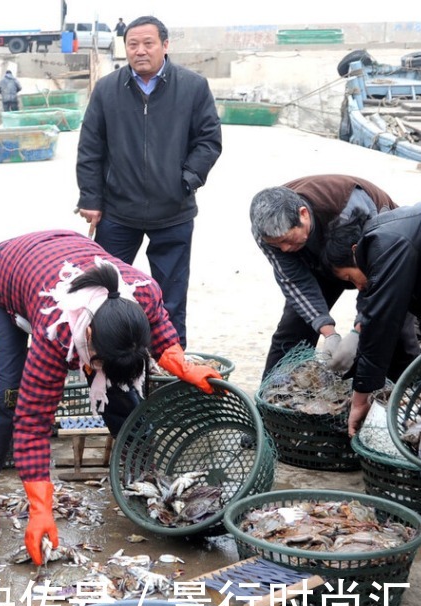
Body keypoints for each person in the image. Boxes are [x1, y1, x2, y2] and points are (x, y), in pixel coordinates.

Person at [0, 230, 219, 549]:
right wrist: (41, 508)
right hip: (4, 275)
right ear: (89, 333)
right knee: (6, 395)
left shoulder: (145, 292)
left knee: (116, 380)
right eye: (94, 358)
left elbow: (162, 331)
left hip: (64, 253)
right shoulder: (56, 331)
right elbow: (32, 424)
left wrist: (185, 367)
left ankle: (143, 475)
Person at [75, 16, 221, 349]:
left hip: (174, 211)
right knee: (107, 290)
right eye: (132, 44)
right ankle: (109, 356)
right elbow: (90, 147)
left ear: (165, 46)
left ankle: (169, 359)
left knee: (171, 296)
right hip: (117, 211)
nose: (140, 51)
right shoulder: (107, 89)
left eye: (148, 43)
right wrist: (91, 198)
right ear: (125, 47)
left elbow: (209, 140)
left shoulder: (193, 86)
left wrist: (185, 181)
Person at [249, 175, 418, 380]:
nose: (284, 249)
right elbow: (294, 281)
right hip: (317, 262)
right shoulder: (267, 233)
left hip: (381, 257)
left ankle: (404, 394)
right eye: (277, 245)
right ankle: (273, 397)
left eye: (286, 240)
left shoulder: (349, 209)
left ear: (303, 214)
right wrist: (329, 332)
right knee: (293, 329)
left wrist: (358, 331)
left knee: (395, 331)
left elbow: (379, 282)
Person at [323, 203, 421, 436]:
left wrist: (359, 400)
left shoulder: (386, 242)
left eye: (350, 276)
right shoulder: (391, 234)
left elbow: (381, 326)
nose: (358, 286)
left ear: (356, 250)